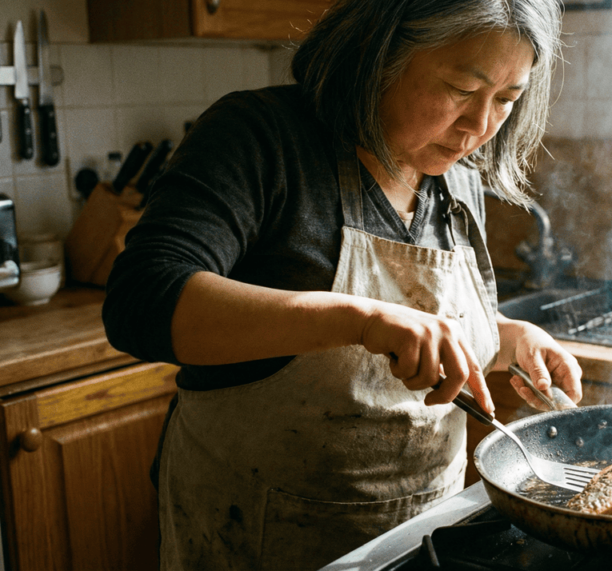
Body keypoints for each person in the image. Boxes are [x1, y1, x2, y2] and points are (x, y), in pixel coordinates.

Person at [101, 0, 581, 568]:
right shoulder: (262, 138)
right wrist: (359, 318)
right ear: (379, 55)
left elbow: (420, 330)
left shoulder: (455, 175)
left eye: (506, 99)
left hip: (417, 544)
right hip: (252, 539)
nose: (478, 128)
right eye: (459, 88)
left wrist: (505, 339)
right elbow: (142, 300)